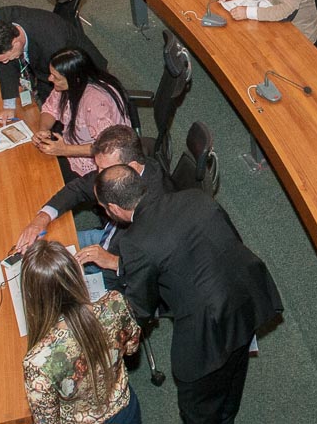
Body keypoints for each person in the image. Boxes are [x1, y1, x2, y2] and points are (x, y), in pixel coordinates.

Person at [94, 164, 282, 424]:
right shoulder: (196, 197)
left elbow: (140, 309)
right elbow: (228, 241)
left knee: (197, 407)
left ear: (114, 209)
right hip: (248, 295)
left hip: (208, 329)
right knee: (234, 375)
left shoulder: (134, 242)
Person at [21, 239, 143, 424]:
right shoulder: (115, 303)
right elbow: (132, 347)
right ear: (77, 273)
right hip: (125, 410)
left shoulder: (37, 362)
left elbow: (47, 421)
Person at [15, 125, 170, 261]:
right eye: (98, 167)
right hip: (108, 237)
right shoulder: (117, 173)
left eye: (104, 169)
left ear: (133, 167)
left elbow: (153, 263)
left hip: (124, 260)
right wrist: (42, 218)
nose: (99, 175)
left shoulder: (155, 208)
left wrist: (112, 262)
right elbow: (78, 188)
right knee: (37, 247)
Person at [0, 4, 108, 124]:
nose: (4, 63)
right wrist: (9, 107)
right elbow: (6, 66)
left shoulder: (52, 45)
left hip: (80, 72)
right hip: (44, 63)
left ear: (15, 43)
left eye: (5, 58)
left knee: (68, 119)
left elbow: (62, 82)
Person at [33, 47, 133, 181]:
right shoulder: (67, 86)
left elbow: (106, 147)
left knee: (43, 176)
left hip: (98, 165)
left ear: (75, 79)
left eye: (56, 77)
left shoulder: (95, 102)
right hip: (71, 146)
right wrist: (43, 130)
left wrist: (65, 150)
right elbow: (51, 109)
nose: (50, 79)